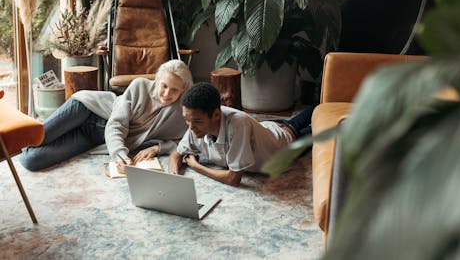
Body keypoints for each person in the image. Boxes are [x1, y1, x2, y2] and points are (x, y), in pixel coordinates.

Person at [20, 59, 193, 172]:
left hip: (94, 138)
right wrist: (120, 154)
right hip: (87, 110)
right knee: (36, 138)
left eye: (174, 90)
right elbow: (117, 124)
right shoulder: (140, 86)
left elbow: (186, 142)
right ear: (157, 79)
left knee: (31, 160)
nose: (166, 93)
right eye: (164, 86)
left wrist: (158, 148)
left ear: (183, 90)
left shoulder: (180, 114)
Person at [168, 82, 313, 186]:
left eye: (197, 121)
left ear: (216, 114)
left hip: (286, 142)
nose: (191, 127)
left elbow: (233, 178)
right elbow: (177, 153)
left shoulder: (238, 125)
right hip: (267, 127)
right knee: (305, 118)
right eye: (187, 120)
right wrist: (173, 176)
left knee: (322, 123)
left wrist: (196, 166)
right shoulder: (195, 123)